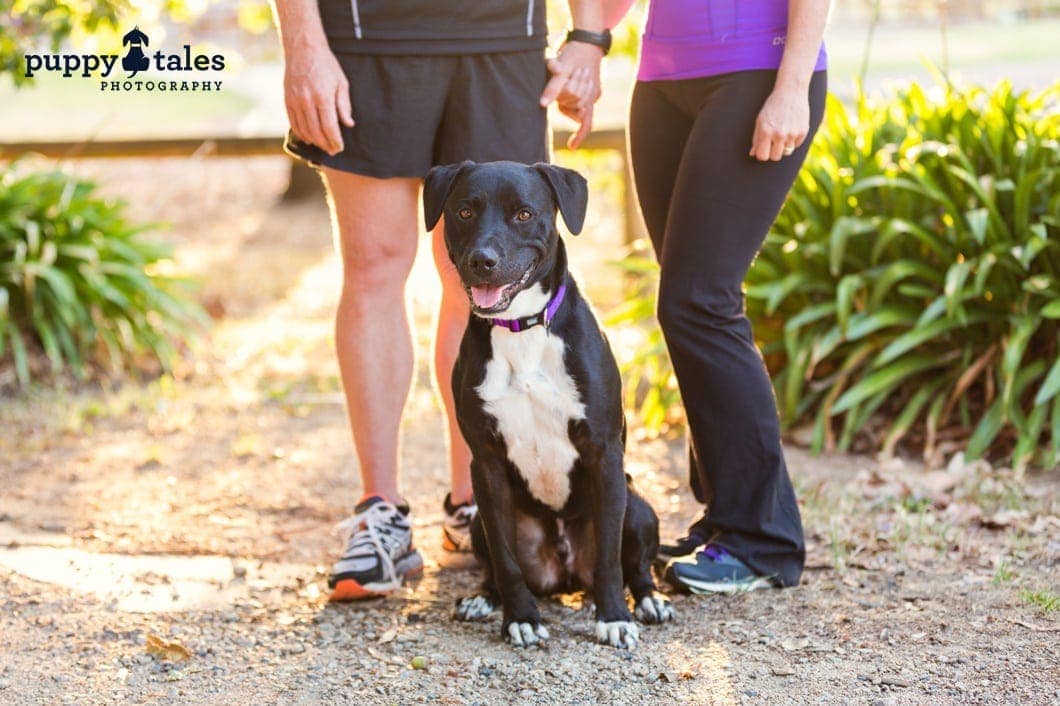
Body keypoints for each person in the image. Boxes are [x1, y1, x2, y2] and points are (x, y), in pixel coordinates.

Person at [273, 0, 610, 600]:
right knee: (373, 264)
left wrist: (588, 36)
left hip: (505, 39)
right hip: (364, 34)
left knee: (488, 281)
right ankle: (382, 516)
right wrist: (304, 44)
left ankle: (475, 506)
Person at [591, 0, 829, 593]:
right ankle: (727, 518)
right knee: (688, 301)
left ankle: (762, 540)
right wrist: (585, 43)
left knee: (698, 301)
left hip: (757, 71)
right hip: (661, 81)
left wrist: (792, 86)